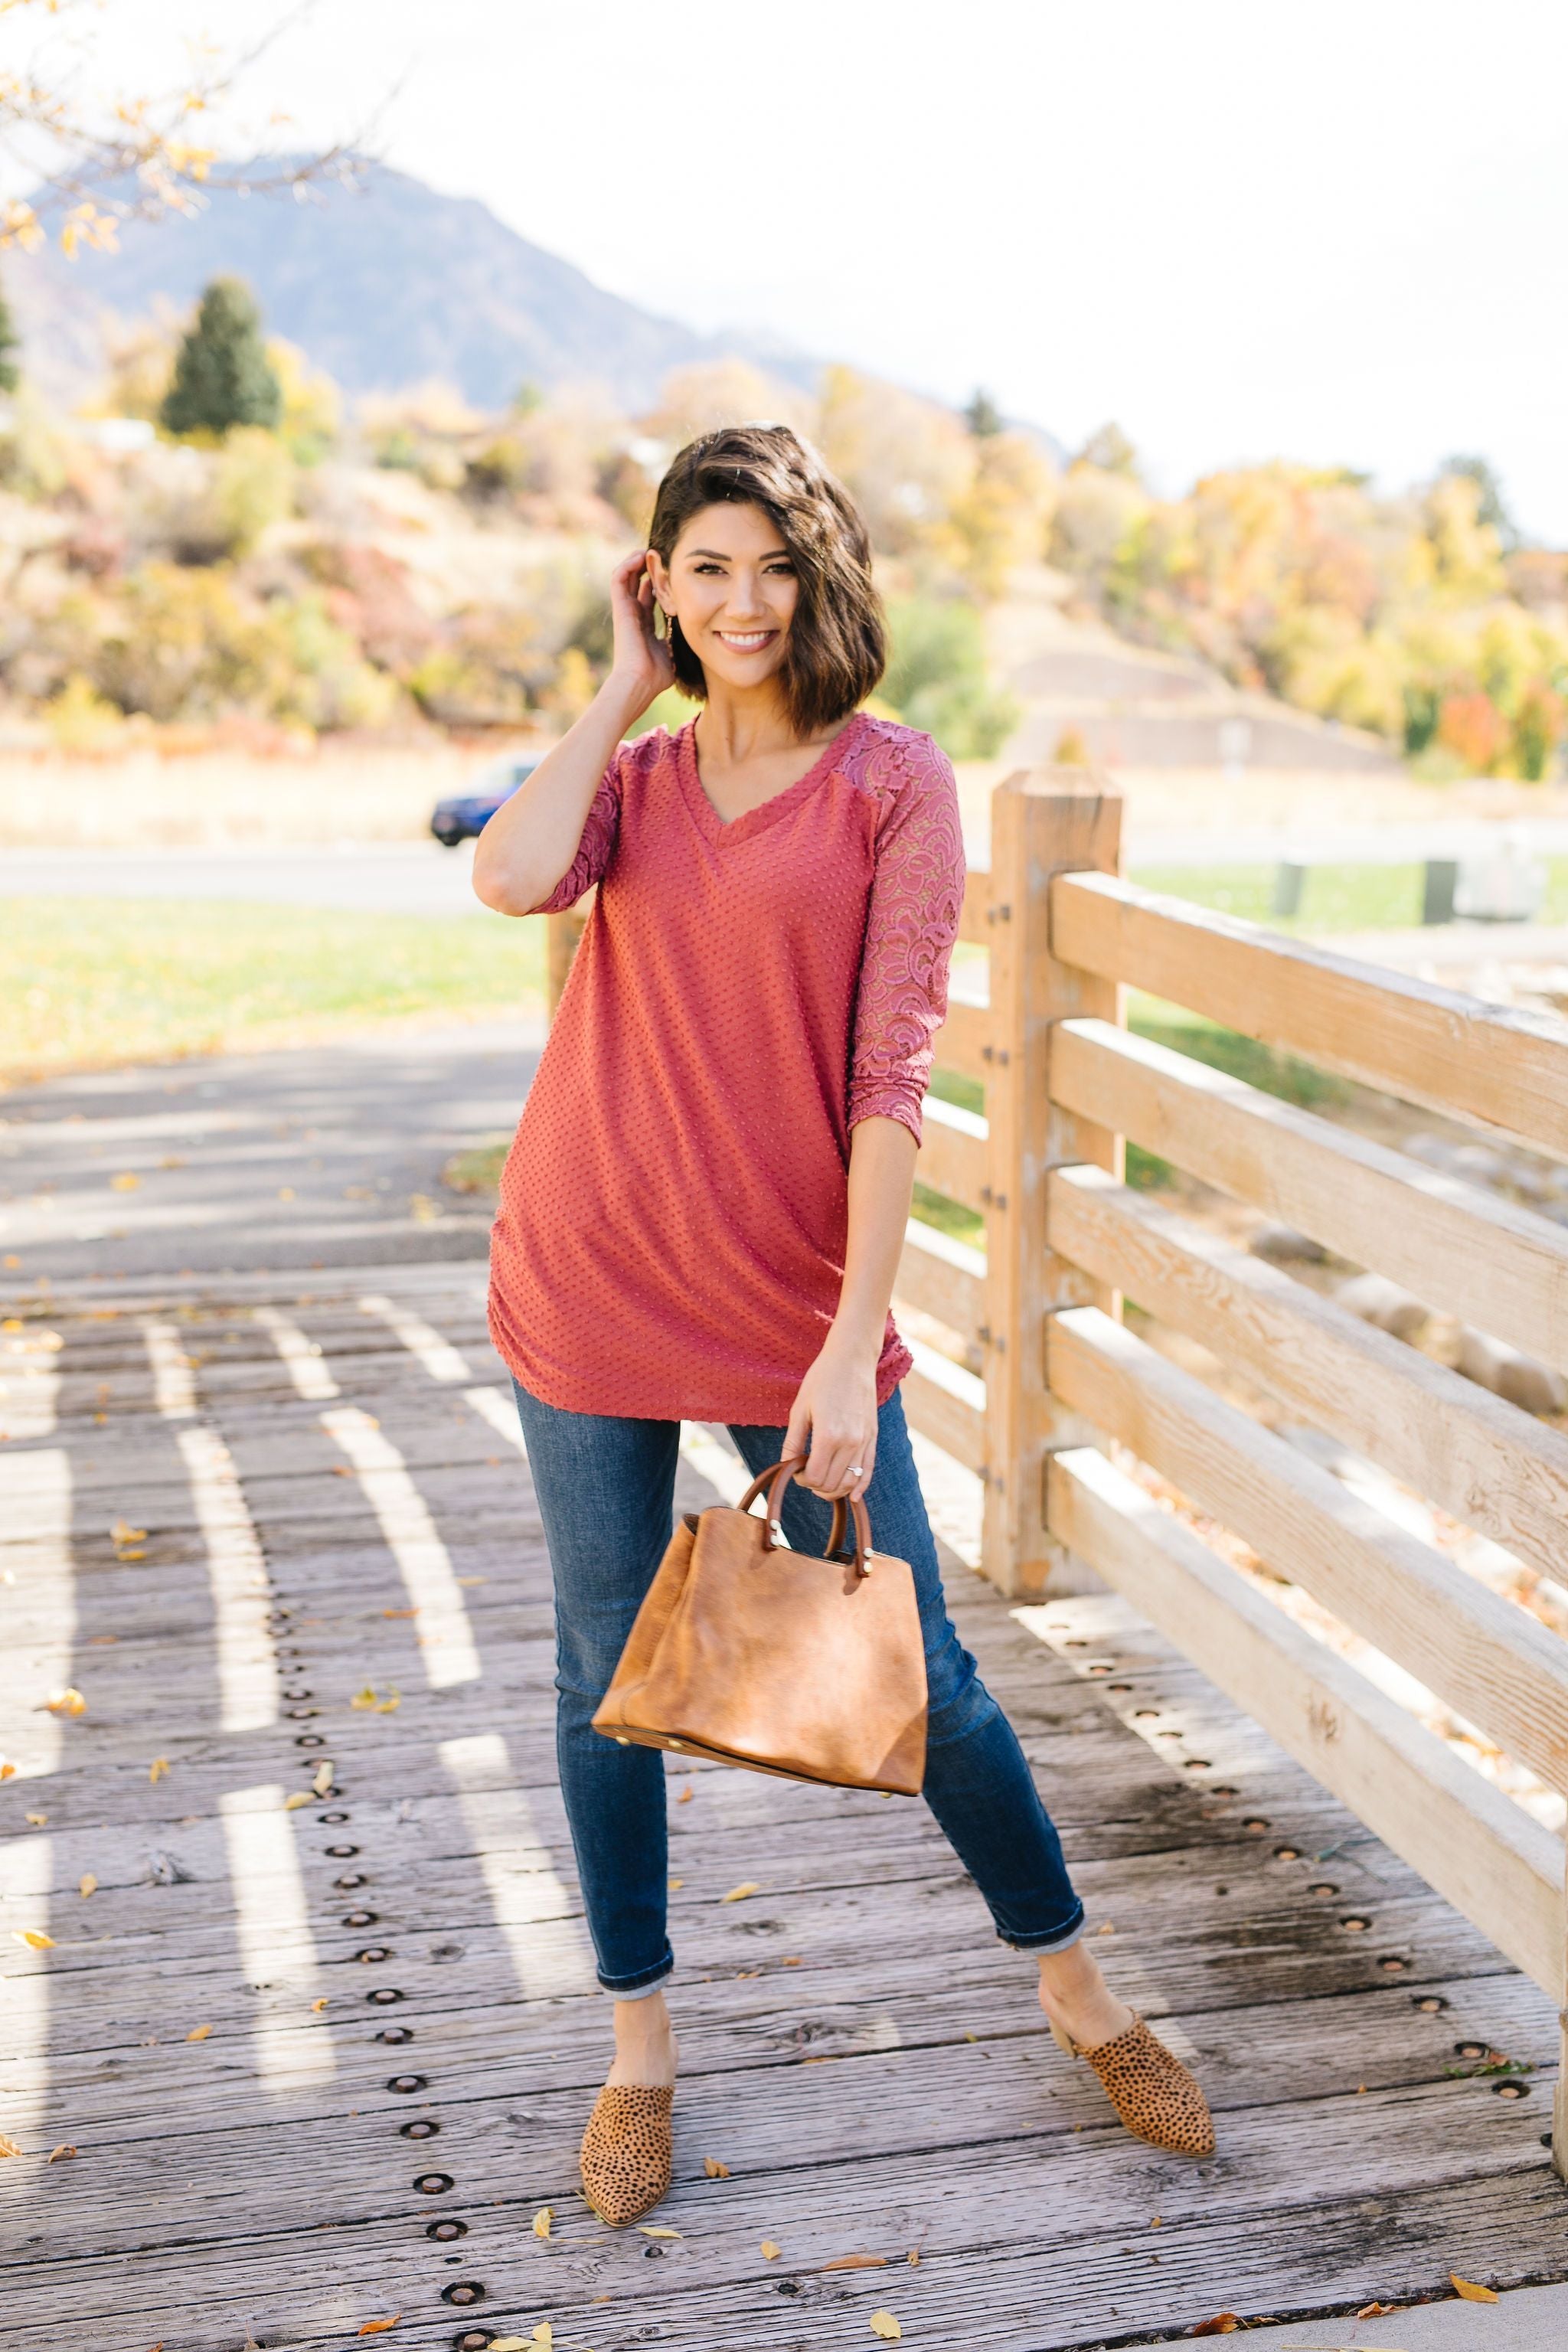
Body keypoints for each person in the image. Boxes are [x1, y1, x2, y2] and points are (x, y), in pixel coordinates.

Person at [474, 423, 1214, 2226]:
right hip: (586, 1273)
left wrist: (843, 1348)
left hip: (794, 1305)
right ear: (664, 584)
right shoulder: (634, 787)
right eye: (703, 568)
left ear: (821, 579)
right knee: (600, 1680)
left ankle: (1074, 1987)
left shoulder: (891, 781)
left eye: (770, 566)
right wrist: (615, 682)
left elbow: (892, 1082)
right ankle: (639, 2047)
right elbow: (507, 877)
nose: (742, 602)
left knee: (927, 1680)